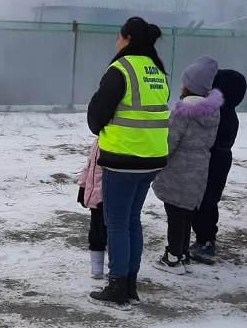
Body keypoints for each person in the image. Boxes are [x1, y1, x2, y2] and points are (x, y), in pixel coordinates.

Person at [86, 17, 171, 309]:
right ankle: (130, 283)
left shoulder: (120, 69)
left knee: (117, 224)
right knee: (132, 221)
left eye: (119, 36)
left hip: (123, 157)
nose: (116, 42)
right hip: (151, 158)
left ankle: (118, 285)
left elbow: (97, 113)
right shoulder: (157, 70)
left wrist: (99, 128)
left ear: (128, 39)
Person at [152, 56, 223, 274]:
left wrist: (158, 157)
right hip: (200, 167)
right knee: (186, 212)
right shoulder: (213, 112)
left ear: (189, 86)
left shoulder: (182, 112)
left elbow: (170, 142)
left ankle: (173, 257)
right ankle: (182, 253)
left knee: (174, 214)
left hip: (178, 170)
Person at [190, 69, 247, 263]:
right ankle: (205, 239)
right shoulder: (230, 113)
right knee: (209, 201)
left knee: (204, 202)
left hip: (211, 161)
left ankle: (206, 241)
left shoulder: (218, 114)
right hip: (221, 161)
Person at [77, 140, 107, 280]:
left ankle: (118, 270)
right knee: (97, 232)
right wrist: (83, 186)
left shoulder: (112, 141)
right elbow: (90, 166)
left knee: (114, 234)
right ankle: (97, 268)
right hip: (96, 197)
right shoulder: (99, 140)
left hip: (106, 196)